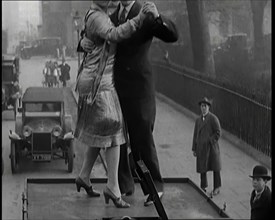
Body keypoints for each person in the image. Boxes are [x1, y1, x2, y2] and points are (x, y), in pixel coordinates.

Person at [81, 0, 178, 206]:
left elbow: (172, 35)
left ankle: (154, 189)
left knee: (141, 137)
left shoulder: (145, 12)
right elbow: (91, 34)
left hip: (139, 88)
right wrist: (82, 42)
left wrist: (159, 17)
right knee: (118, 138)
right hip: (115, 87)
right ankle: (123, 186)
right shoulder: (110, 15)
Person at [75, 0, 152, 209]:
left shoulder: (100, 12)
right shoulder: (98, 16)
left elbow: (92, 36)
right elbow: (114, 34)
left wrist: (83, 40)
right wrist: (140, 19)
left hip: (99, 79)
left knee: (103, 130)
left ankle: (84, 176)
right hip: (98, 82)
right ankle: (113, 188)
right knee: (115, 127)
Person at [192, 97, 222, 196]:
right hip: (201, 148)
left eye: (205, 106)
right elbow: (195, 134)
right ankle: (203, 187)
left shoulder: (213, 118)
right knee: (202, 168)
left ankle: (217, 187)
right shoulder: (198, 120)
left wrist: (210, 140)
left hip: (211, 148)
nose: (203, 108)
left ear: (208, 107)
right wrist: (194, 148)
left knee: (215, 167)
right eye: (202, 106)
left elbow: (218, 132)